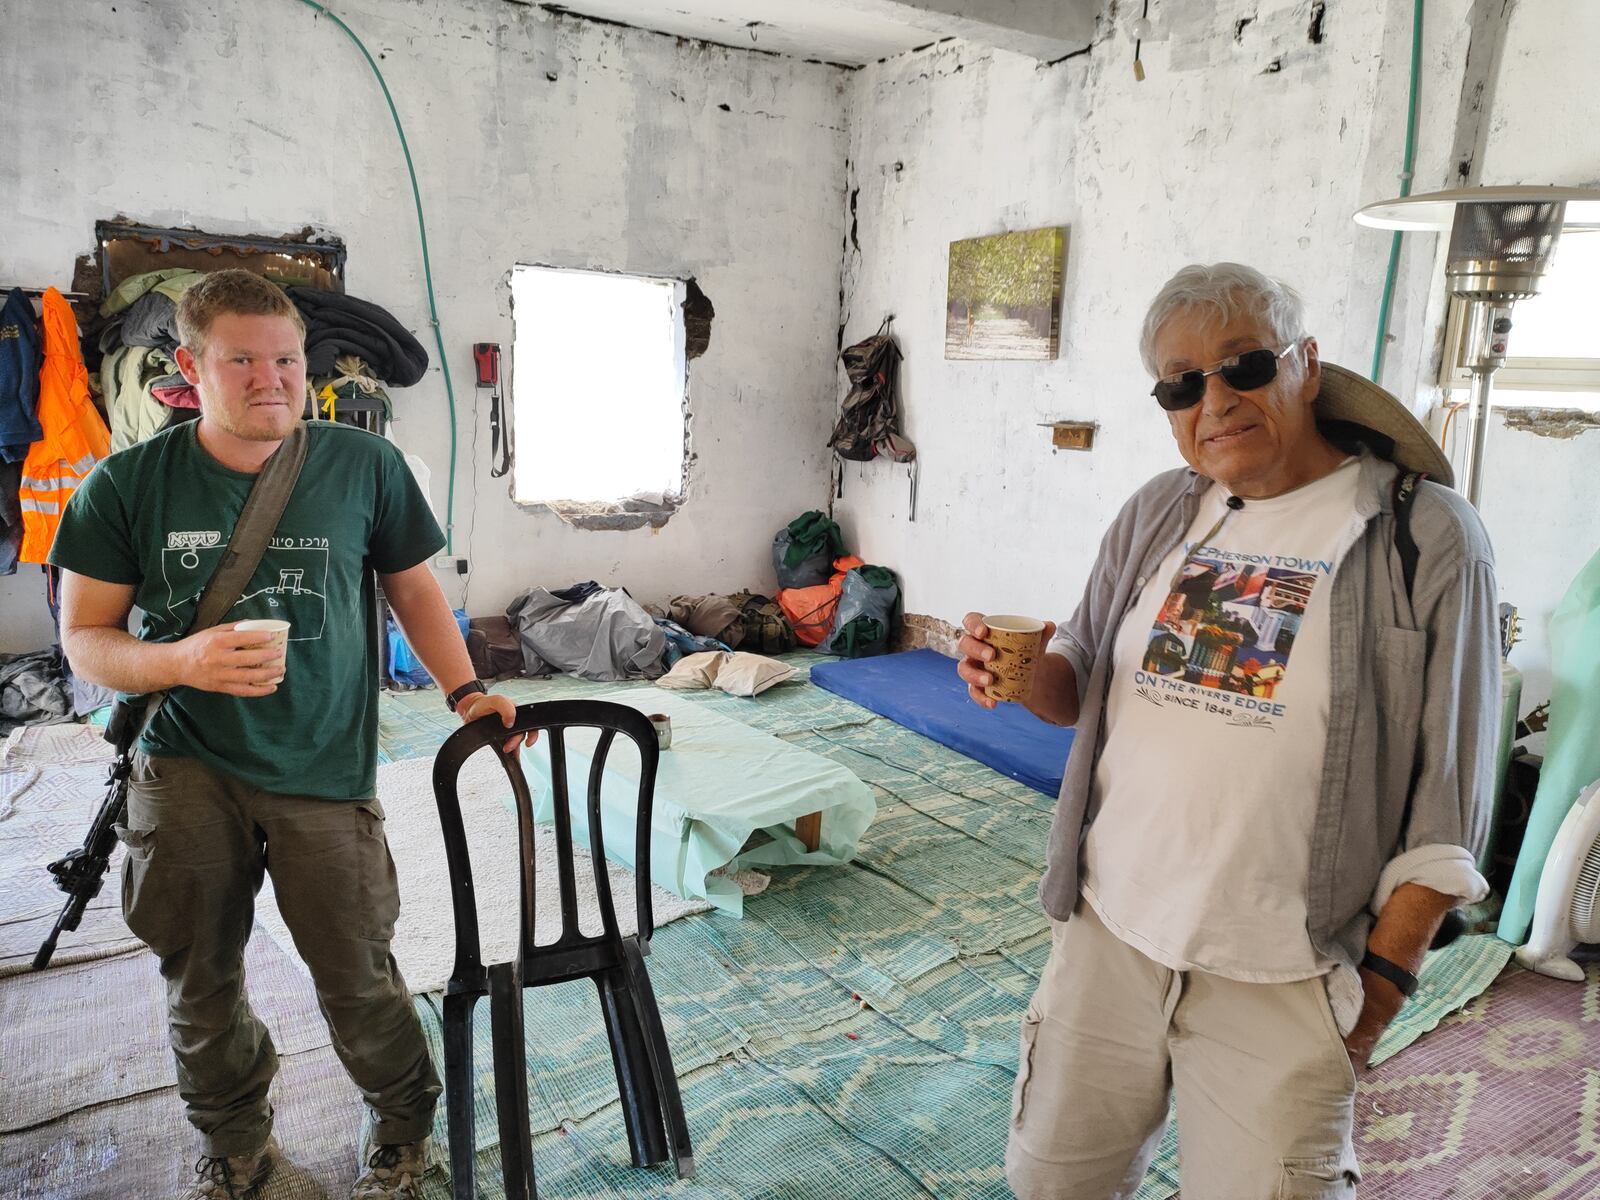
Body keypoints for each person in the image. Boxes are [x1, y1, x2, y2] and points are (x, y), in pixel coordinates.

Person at [959, 263, 1499, 1199]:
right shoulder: (1160, 511)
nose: (1215, 399)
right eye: (1181, 382)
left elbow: (1450, 792)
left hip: (1285, 970)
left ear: (1306, 364)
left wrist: (1379, 990)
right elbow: (1078, 677)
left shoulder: (1423, 534)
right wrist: (1018, 676)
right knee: (1054, 1184)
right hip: (1111, 934)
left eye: (1244, 365)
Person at [50, 269, 526, 1200]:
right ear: (191, 367)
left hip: (322, 765)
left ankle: (400, 1129)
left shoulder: (364, 466)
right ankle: (235, 1146)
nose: (272, 379)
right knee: (201, 979)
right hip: (184, 767)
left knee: (358, 972)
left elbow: (415, 590)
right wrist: (180, 662)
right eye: (243, 360)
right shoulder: (128, 483)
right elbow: (85, 640)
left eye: (286, 360)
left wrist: (467, 690)